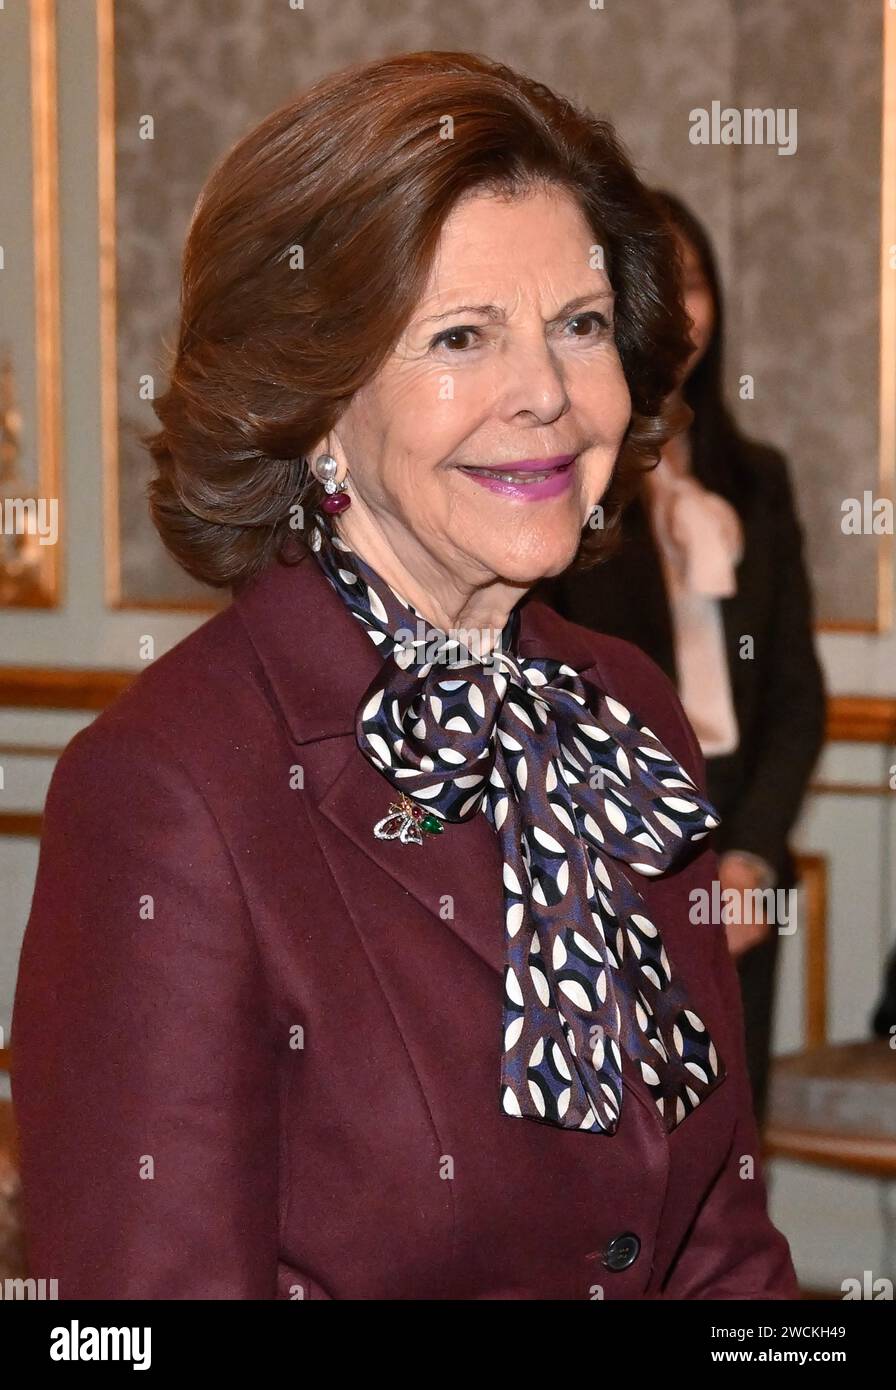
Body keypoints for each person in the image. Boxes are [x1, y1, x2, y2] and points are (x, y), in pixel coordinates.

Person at [10, 52, 799, 1299]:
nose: (543, 392)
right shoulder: (166, 794)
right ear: (315, 400)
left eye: (577, 327)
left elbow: (720, 1248)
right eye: (458, 335)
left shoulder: (626, 711)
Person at [537, 190, 827, 1130]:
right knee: (622, 1141)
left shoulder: (759, 479)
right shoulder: (559, 480)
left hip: (742, 840)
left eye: (694, 281)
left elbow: (796, 694)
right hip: (611, 855)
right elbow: (557, 693)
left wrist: (746, 859)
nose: (679, 305)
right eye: (653, 283)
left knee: (733, 1135)